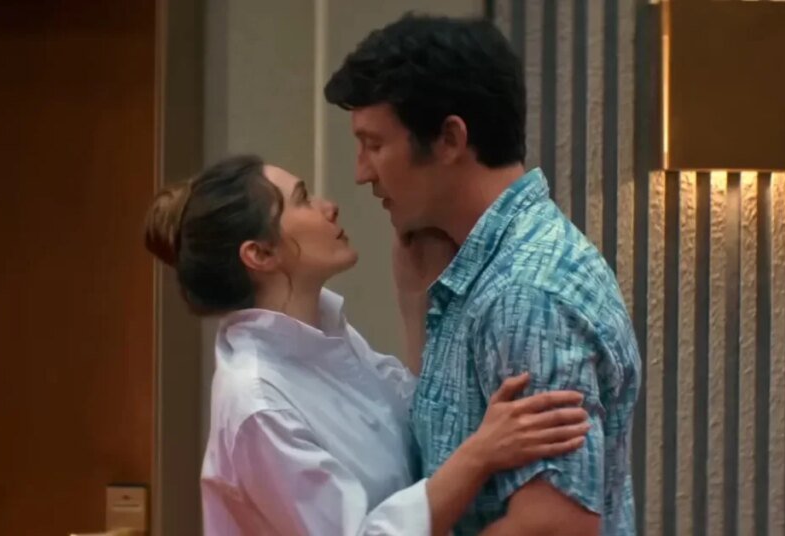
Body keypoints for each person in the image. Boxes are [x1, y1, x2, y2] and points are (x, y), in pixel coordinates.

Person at [142, 154, 592, 535]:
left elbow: (416, 421)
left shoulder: (324, 337)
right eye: (303, 199)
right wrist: (480, 455)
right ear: (260, 254)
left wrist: (415, 299)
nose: (329, 207)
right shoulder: (257, 404)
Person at [325, 13, 642, 535]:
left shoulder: (526, 294)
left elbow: (554, 528)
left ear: (450, 139)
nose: (361, 172)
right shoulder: (478, 271)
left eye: (375, 145)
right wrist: (416, 303)